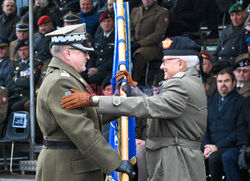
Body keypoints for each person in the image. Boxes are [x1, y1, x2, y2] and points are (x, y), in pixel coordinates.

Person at [61, 36, 208, 181]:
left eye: (165, 62)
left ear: (181, 64)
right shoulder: (187, 82)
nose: (162, 66)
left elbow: (150, 107)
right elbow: (159, 105)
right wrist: (133, 90)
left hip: (177, 160)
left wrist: (94, 100)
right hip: (173, 156)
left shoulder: (181, 84)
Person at [35, 24, 134, 181]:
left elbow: (91, 114)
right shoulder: (61, 82)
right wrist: (114, 161)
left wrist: (122, 104)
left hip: (73, 164)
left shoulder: (69, 77)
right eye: (83, 52)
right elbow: (80, 128)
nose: (88, 57)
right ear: (68, 53)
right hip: (66, 168)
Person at [202, 67, 247, 181]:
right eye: (220, 81)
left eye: (226, 81)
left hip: (231, 147)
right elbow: (203, 128)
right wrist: (206, 147)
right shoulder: (209, 102)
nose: (223, 84)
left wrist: (217, 147)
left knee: (217, 158)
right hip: (210, 146)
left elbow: (240, 131)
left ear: (233, 83)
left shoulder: (242, 102)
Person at [130, 0, 169, 84]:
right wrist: (132, 41)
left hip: (153, 45)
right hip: (135, 43)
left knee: (139, 54)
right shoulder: (135, 11)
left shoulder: (162, 12)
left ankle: (134, 81)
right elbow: (130, 29)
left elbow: (158, 34)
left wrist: (140, 43)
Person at [7, 39, 42, 112]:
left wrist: (16, 80)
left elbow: (29, 81)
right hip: (15, 95)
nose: (22, 52)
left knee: (15, 107)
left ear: (30, 50)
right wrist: (17, 87)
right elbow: (9, 82)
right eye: (20, 50)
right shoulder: (15, 64)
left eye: (25, 49)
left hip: (27, 96)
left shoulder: (35, 64)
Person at [83, 11, 114, 91]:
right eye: (104, 21)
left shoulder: (117, 38)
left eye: (109, 21)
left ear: (113, 22)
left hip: (108, 70)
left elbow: (114, 59)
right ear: (100, 24)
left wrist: (98, 69)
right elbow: (92, 56)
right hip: (96, 68)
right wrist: (90, 68)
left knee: (95, 79)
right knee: (81, 76)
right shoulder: (97, 37)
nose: (106, 23)